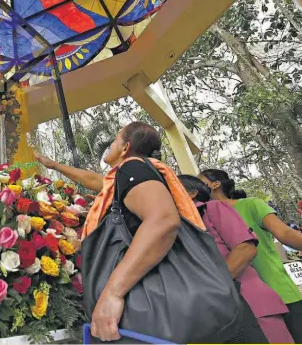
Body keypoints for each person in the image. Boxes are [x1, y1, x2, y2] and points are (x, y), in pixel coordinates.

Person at [35, 122, 257, 343]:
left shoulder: (132, 167)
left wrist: (112, 293)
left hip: (155, 314)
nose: (110, 146)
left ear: (125, 148)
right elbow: (94, 180)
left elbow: (162, 220)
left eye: (114, 140)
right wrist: (53, 165)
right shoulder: (129, 178)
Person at [199, 169, 302, 344]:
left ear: (215, 184)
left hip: (278, 290)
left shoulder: (250, 204)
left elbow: (283, 231)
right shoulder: (200, 219)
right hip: (241, 302)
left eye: (199, 181)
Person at [178, 175, 293, 343]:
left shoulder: (212, 209)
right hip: (214, 317)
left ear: (192, 194)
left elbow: (245, 249)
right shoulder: (171, 227)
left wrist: (213, 290)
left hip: (249, 303)